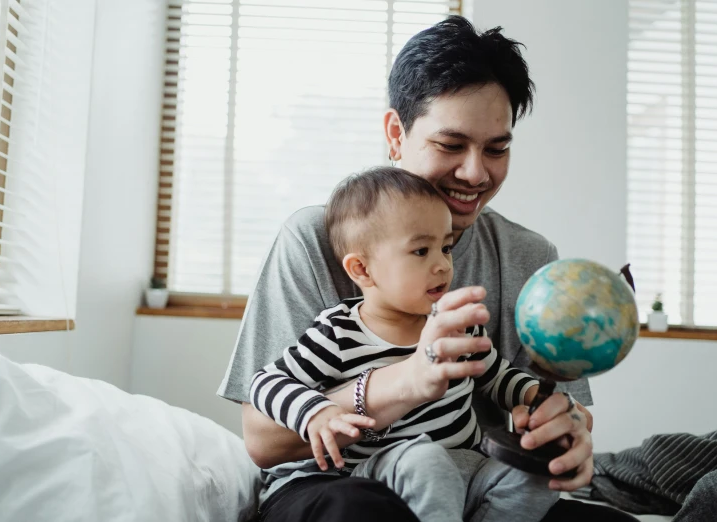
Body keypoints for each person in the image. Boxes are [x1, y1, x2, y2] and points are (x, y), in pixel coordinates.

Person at [219, 16, 609, 522]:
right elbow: (263, 441)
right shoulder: (319, 238)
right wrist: (408, 379)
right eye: (451, 145)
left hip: (472, 481)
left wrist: (565, 430)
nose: (476, 172)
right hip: (338, 483)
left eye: (498, 148)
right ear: (396, 135)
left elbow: (548, 403)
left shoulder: (528, 256)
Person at [249, 166, 561, 522]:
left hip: (469, 468)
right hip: (389, 471)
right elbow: (266, 382)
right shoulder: (338, 333)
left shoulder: (453, 324)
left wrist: (536, 398)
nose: (442, 265)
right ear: (362, 270)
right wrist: (315, 412)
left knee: (535, 471)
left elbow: (498, 376)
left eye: (445, 248)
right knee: (425, 460)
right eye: (420, 251)